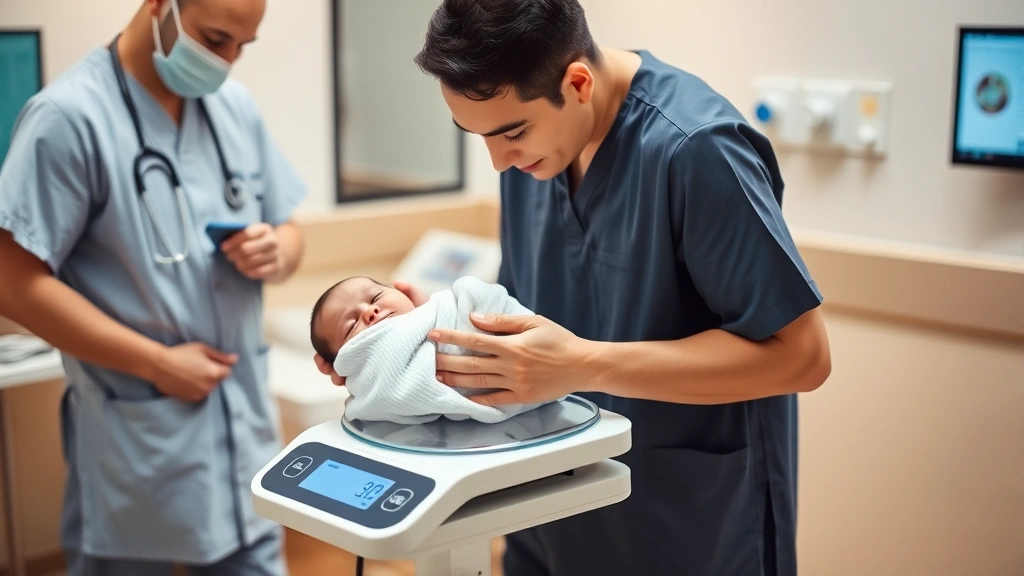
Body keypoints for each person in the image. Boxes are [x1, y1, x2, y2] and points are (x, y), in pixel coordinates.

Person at [317, 0, 833, 574]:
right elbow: (534, 314)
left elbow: (803, 358)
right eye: (475, 134)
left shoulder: (697, 149)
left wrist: (586, 365)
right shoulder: (533, 155)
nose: (498, 160)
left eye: (511, 131)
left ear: (577, 82)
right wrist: (414, 348)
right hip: (551, 504)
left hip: (692, 518)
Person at [0, 0, 306, 573]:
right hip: (141, 443)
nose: (228, 63)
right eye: (216, 39)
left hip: (245, 438)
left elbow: (289, 230)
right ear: (159, 7)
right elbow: (12, 283)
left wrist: (278, 250)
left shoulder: (234, 108)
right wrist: (156, 363)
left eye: (243, 46)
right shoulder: (68, 118)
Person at [310, 276, 547, 424]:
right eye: (351, 325)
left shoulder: (439, 308)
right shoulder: (374, 370)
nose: (369, 310)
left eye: (376, 296)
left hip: (532, 346)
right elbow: (391, 392)